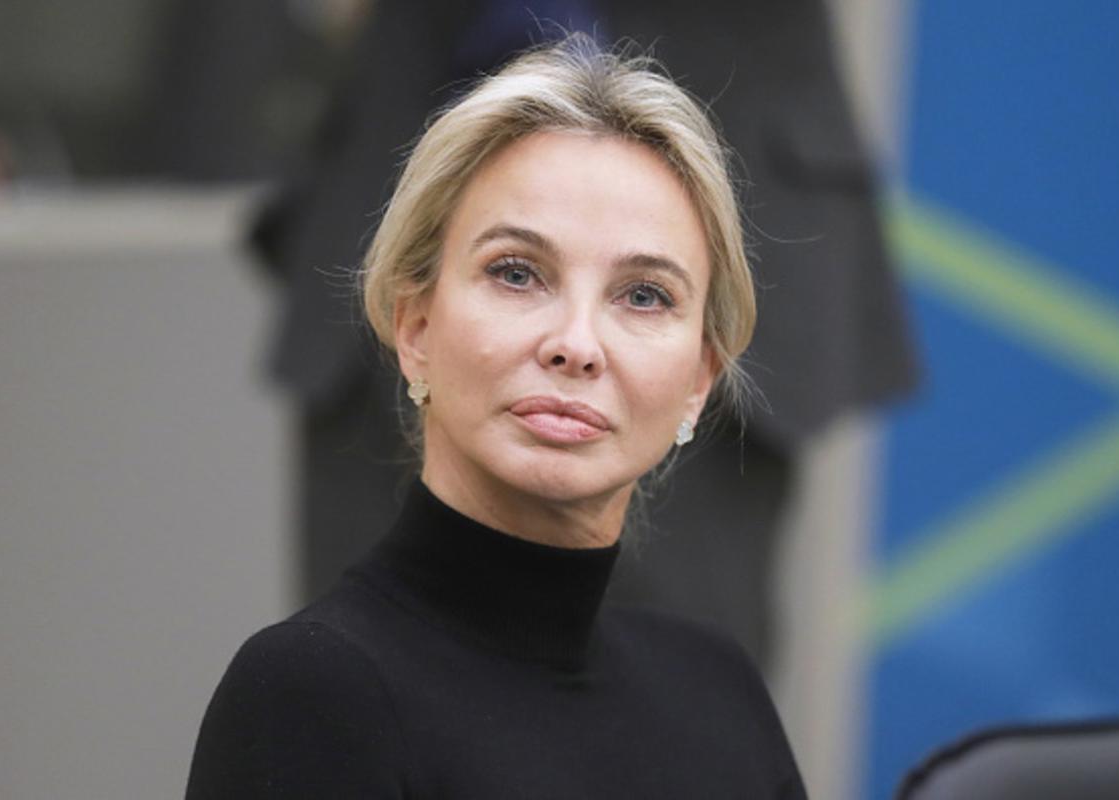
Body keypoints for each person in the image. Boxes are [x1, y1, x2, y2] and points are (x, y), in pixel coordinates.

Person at [185, 34, 807, 798]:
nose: (576, 345)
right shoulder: (315, 690)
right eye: (517, 274)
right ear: (414, 329)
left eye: (644, 295)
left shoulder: (718, 690)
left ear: (698, 381)